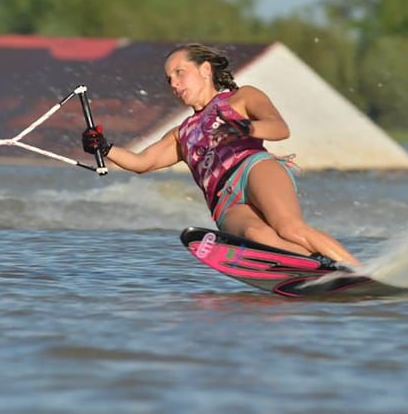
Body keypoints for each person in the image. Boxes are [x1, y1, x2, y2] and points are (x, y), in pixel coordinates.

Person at [82, 43, 360, 266]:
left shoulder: (240, 98)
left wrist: (241, 128)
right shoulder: (182, 132)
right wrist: (104, 147)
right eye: (169, 80)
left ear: (205, 70)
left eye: (180, 73)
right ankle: (316, 267)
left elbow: (279, 128)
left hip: (252, 168)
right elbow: (142, 163)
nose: (174, 84)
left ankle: (357, 271)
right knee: (257, 236)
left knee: (288, 227)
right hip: (224, 202)